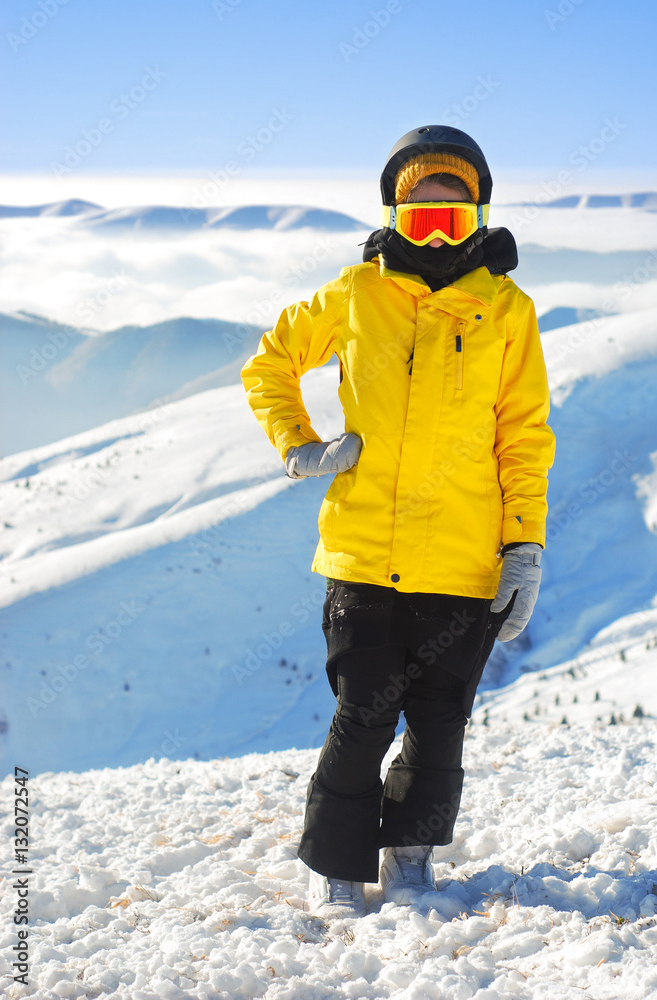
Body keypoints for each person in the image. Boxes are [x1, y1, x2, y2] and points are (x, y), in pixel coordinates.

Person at [240, 125, 556, 919]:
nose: (438, 234)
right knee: (363, 711)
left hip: (461, 557)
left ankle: (409, 857)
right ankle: (338, 866)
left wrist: (523, 542)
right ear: (392, 215)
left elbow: (522, 433)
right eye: (420, 219)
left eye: (454, 217)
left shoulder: (506, 310)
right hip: (361, 552)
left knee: (440, 719)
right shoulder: (353, 294)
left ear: (481, 215)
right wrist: (298, 445)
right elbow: (269, 361)